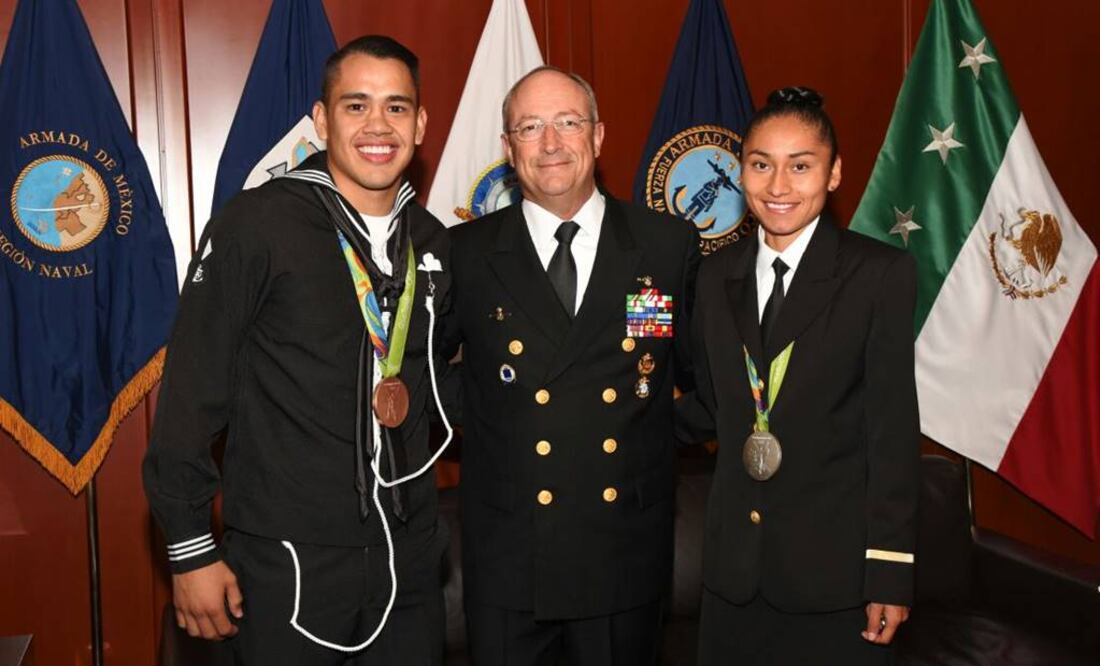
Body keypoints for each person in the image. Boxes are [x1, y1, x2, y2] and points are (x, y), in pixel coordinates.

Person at [143, 35, 452, 665]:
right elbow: (188, 398)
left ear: (420, 125)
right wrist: (191, 548)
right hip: (289, 564)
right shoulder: (254, 225)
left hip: (411, 561)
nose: (377, 126)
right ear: (320, 120)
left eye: (397, 108)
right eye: (356, 105)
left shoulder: (433, 241)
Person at [440, 66, 700, 666]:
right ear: (508, 150)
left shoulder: (665, 244)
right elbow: (427, 374)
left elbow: (704, 379)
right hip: (510, 555)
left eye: (567, 123)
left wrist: (651, 436)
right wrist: (493, 424)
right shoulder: (465, 253)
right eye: (530, 127)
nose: (551, 143)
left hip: (622, 553)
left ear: (599, 135)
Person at [679, 86, 919, 665]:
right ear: (740, 173)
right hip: (733, 576)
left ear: (834, 173)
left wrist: (888, 572)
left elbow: (891, 432)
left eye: (801, 166)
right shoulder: (714, 277)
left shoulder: (878, 275)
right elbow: (712, 405)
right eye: (761, 165)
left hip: (834, 581)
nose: (779, 186)